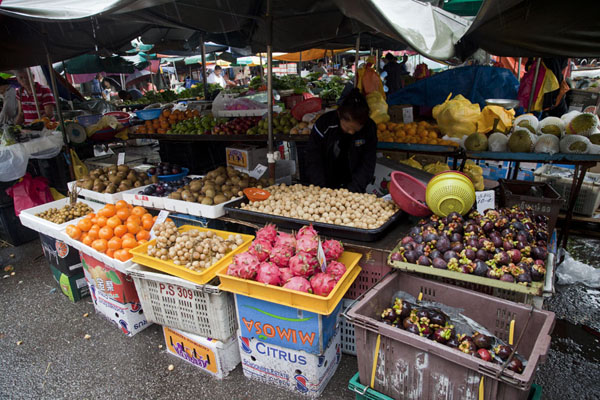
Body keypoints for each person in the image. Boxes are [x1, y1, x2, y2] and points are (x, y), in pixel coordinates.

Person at [305, 88, 377, 193]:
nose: (351, 132)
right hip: (326, 180)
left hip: (353, 181)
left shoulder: (369, 128)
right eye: (347, 128)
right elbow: (313, 159)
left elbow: (367, 163)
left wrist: (353, 191)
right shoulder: (324, 124)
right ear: (339, 115)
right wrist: (320, 189)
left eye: (356, 129)